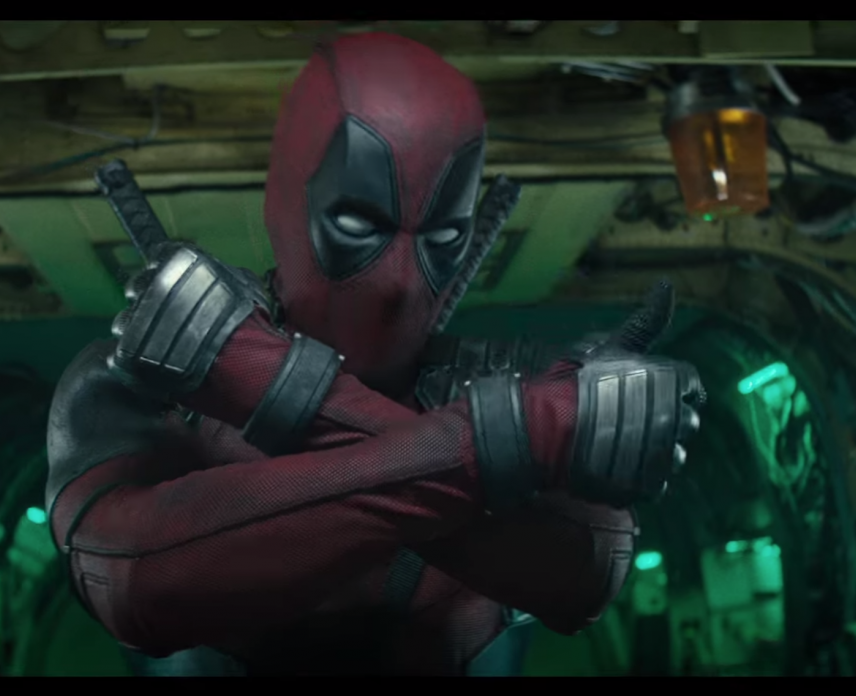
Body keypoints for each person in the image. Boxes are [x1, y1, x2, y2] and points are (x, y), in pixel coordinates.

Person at [44, 31, 706, 676]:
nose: (400, 281)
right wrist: (516, 435)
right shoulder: (141, 384)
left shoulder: (527, 389)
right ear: (287, 200)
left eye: (444, 237)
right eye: (358, 226)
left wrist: (271, 380)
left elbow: (584, 575)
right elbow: (132, 583)